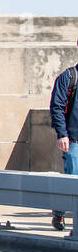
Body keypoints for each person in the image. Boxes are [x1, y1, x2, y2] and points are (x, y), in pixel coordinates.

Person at [49, 54, 78, 230]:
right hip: (73, 139)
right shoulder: (68, 77)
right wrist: (62, 134)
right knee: (72, 179)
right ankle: (59, 213)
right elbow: (56, 106)